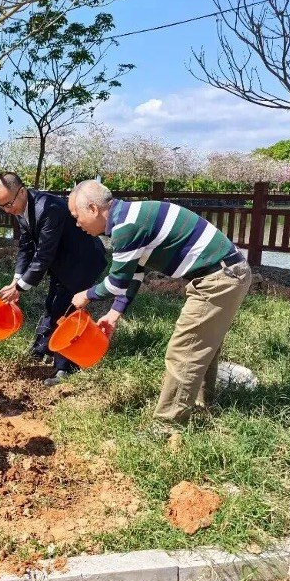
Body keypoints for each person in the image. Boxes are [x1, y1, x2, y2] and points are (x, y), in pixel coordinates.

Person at [69, 180, 252, 431]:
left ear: (92, 208)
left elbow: (115, 283)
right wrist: (113, 314)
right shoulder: (129, 217)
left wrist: (86, 295)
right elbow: (135, 273)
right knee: (201, 347)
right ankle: (202, 407)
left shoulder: (126, 226)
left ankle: (167, 427)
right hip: (225, 274)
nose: (77, 224)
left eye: (77, 216)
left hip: (219, 279)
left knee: (184, 350)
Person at [0, 172, 107, 386]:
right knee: (53, 302)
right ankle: (42, 347)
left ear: (22, 192)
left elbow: (44, 254)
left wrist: (21, 287)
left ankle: (65, 367)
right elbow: (26, 246)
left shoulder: (47, 209)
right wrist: (16, 278)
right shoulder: (21, 207)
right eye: (2, 207)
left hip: (82, 261)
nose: (8, 210)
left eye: (8, 204)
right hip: (61, 261)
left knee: (66, 309)